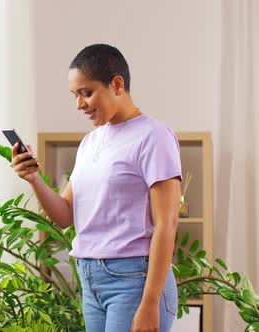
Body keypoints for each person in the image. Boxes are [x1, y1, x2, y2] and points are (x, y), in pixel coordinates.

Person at [11, 44, 181, 332]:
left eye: (86, 93)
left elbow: (168, 223)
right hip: (91, 280)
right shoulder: (90, 143)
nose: (79, 105)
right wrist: (34, 179)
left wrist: (150, 303)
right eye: (74, 95)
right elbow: (65, 216)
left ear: (116, 84)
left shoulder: (154, 137)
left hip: (135, 280)